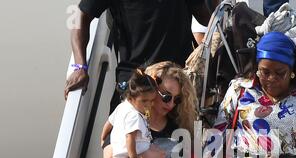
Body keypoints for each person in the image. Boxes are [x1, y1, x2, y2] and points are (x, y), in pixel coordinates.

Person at [64, 0, 219, 112]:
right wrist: (80, 66)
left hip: (176, 85)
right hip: (136, 83)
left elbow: (207, 17)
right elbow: (80, 16)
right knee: (119, 151)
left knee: (180, 154)